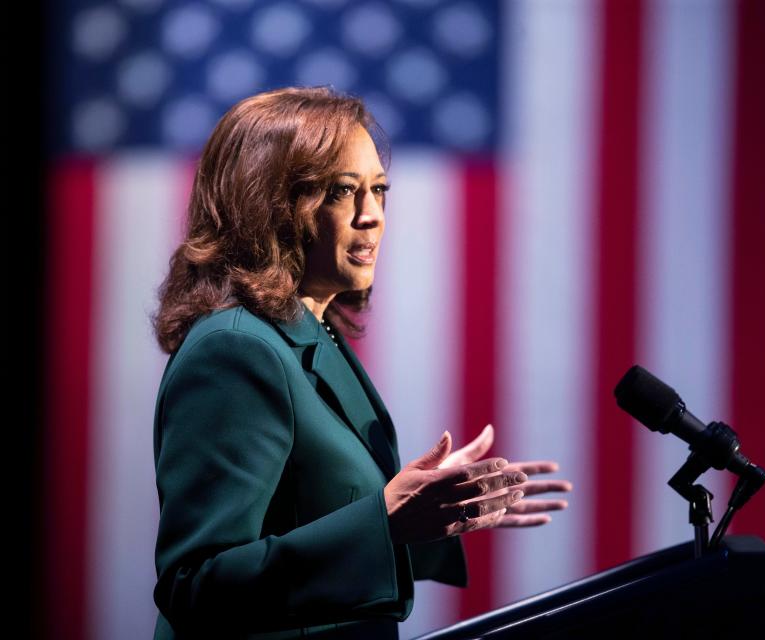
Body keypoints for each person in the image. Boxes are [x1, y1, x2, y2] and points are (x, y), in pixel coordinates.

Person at [151, 87, 572, 639]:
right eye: (342, 191)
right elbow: (195, 584)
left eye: (378, 190)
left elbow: (320, 518)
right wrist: (385, 521)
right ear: (269, 203)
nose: (371, 216)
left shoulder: (309, 334)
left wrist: (436, 509)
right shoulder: (236, 351)